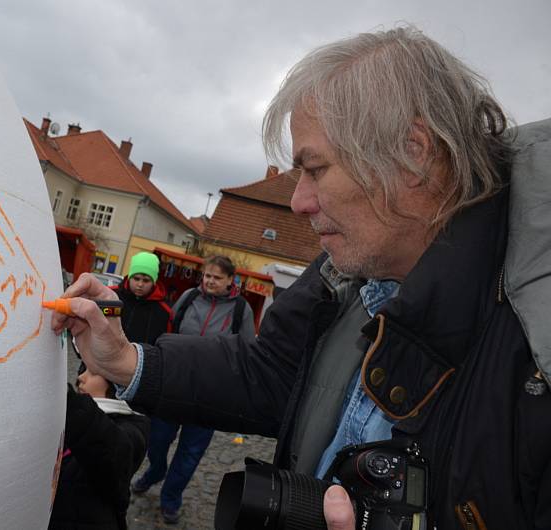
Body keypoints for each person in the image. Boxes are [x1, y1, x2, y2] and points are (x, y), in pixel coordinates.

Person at [51, 25, 551, 529]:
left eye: (315, 169)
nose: (298, 202)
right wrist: (126, 359)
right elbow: (269, 373)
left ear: (413, 153)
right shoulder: (347, 273)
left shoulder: (536, 347)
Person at [130, 255, 254, 524]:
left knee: (190, 453)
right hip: (173, 386)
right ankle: (155, 471)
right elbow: (168, 331)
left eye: (217, 277)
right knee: (157, 439)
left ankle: (170, 498)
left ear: (230, 280)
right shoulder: (188, 298)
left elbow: (246, 353)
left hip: (210, 395)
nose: (209, 281)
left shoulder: (241, 310)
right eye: (207, 275)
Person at [48, 364, 150, 530]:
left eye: (94, 372)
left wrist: (66, 400)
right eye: (83, 370)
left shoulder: (133, 426)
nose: (81, 377)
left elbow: (111, 453)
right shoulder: (66, 415)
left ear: (119, 382)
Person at [111, 251, 172, 347]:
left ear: (154, 282)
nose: (140, 284)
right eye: (136, 278)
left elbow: (164, 346)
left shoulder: (164, 312)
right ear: (129, 277)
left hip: (140, 360)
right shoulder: (110, 295)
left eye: (146, 280)